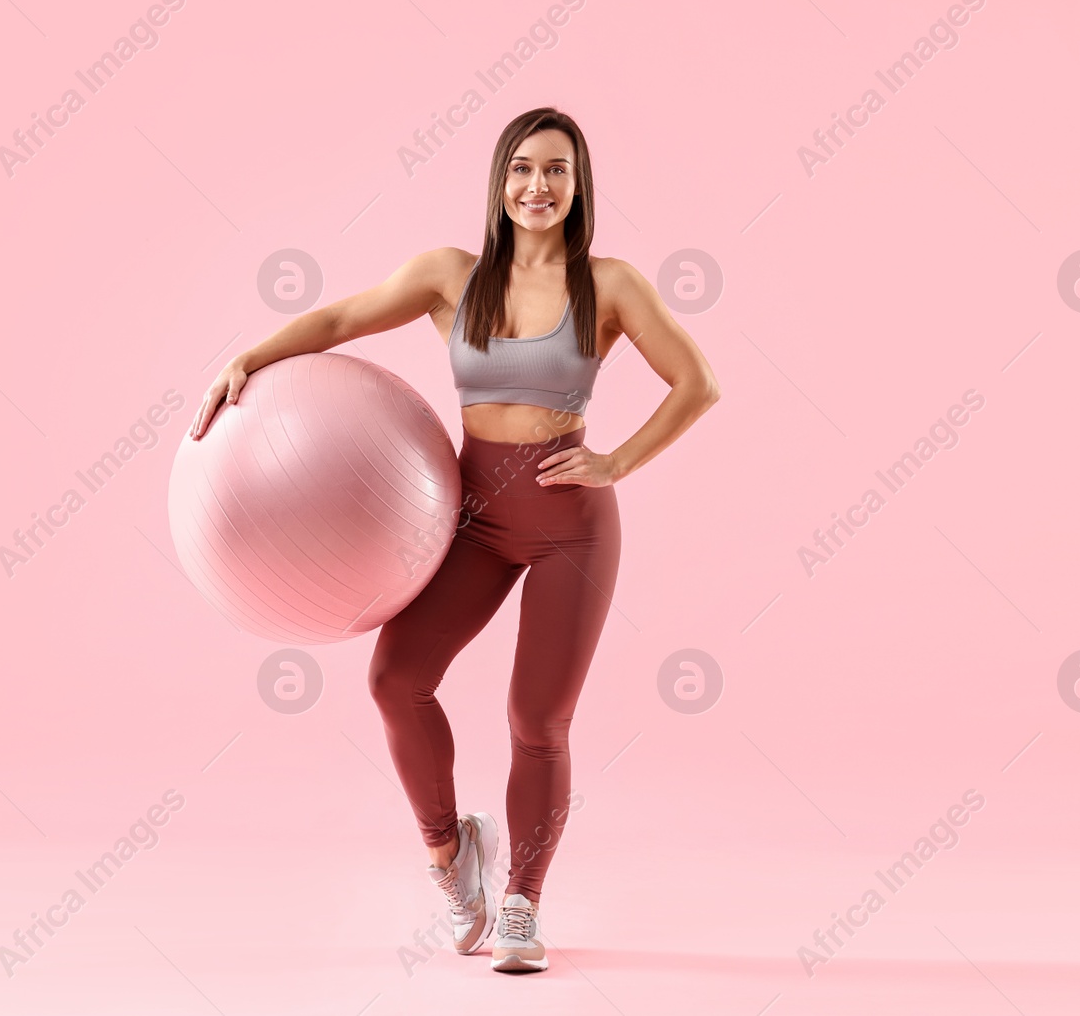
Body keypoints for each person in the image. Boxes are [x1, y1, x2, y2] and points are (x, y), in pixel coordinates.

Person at [187, 107, 719, 973]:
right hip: (474, 518)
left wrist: (617, 460)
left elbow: (699, 382)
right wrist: (246, 356)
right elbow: (338, 322)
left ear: (579, 186)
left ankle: (522, 903)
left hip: (570, 528)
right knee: (396, 678)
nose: (536, 187)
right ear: (498, 181)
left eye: (555, 170)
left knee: (535, 719)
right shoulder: (450, 274)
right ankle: (451, 854)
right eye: (520, 168)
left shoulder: (611, 284)